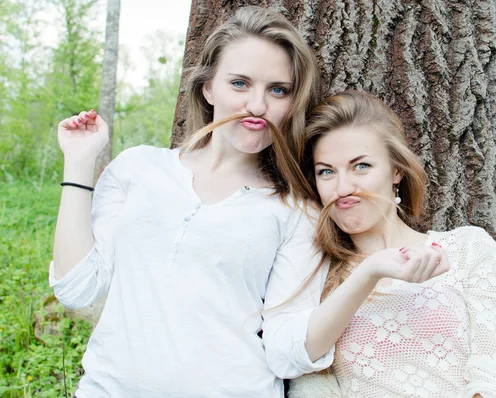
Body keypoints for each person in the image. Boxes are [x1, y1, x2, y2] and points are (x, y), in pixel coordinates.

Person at [50, 6, 330, 397]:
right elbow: (77, 288)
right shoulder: (138, 169)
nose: (258, 105)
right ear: (207, 87)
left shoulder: (295, 212)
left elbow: (285, 350)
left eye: (277, 90)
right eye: (240, 83)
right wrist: (79, 162)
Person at [287, 91, 496, 397]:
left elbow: (495, 376)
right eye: (327, 172)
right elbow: (311, 383)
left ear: (396, 170)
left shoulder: (468, 248)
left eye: (361, 166)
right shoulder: (316, 272)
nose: (343, 188)